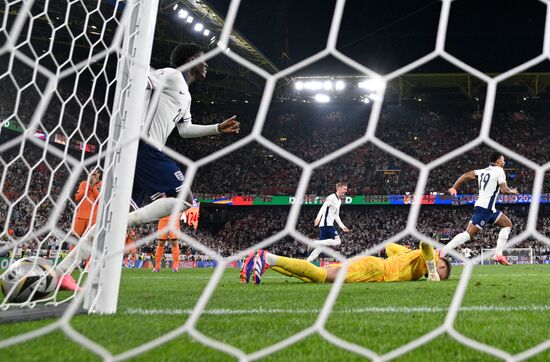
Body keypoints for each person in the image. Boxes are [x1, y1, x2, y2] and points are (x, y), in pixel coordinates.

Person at [55, 42, 240, 290]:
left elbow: (184, 130)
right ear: (191, 60)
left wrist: (217, 128)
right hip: (142, 146)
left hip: (143, 153)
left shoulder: (185, 95)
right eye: (202, 58)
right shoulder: (172, 75)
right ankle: (125, 221)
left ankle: (61, 272)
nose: (206, 64)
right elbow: (145, 79)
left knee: (110, 222)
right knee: (183, 197)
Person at [241, 241, 451, 284]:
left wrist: (402, 255)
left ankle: (265, 258)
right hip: (373, 270)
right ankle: (269, 258)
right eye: (442, 270)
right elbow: (425, 245)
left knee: (312, 277)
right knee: (323, 278)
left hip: (371, 265)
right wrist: (432, 269)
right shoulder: (428, 259)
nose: (440, 275)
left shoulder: (412, 258)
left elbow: (390, 248)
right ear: (439, 262)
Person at [442, 152, 518, 265]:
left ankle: (498, 254)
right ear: (497, 161)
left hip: (489, 209)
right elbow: (504, 190)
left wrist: (454, 188)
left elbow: (465, 175)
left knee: (507, 224)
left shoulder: (482, 171)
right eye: (502, 160)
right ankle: (443, 251)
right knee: (468, 234)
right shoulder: (499, 171)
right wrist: (513, 191)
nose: (504, 162)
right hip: (485, 209)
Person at [307, 182, 350, 262]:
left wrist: (342, 226)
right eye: (344, 189)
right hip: (327, 224)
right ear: (339, 188)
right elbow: (324, 206)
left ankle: (305, 263)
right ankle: (314, 242)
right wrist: (318, 218)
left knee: (320, 248)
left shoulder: (339, 201)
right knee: (338, 242)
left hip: (327, 224)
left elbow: (336, 215)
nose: (346, 191)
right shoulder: (331, 197)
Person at [72, 169, 102, 238]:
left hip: (93, 218)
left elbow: (100, 200)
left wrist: (93, 186)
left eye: (94, 174)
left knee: (90, 240)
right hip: (80, 216)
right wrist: (89, 186)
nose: (92, 176)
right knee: (75, 239)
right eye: (90, 174)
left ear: (99, 174)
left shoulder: (102, 185)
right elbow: (77, 197)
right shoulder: (84, 184)